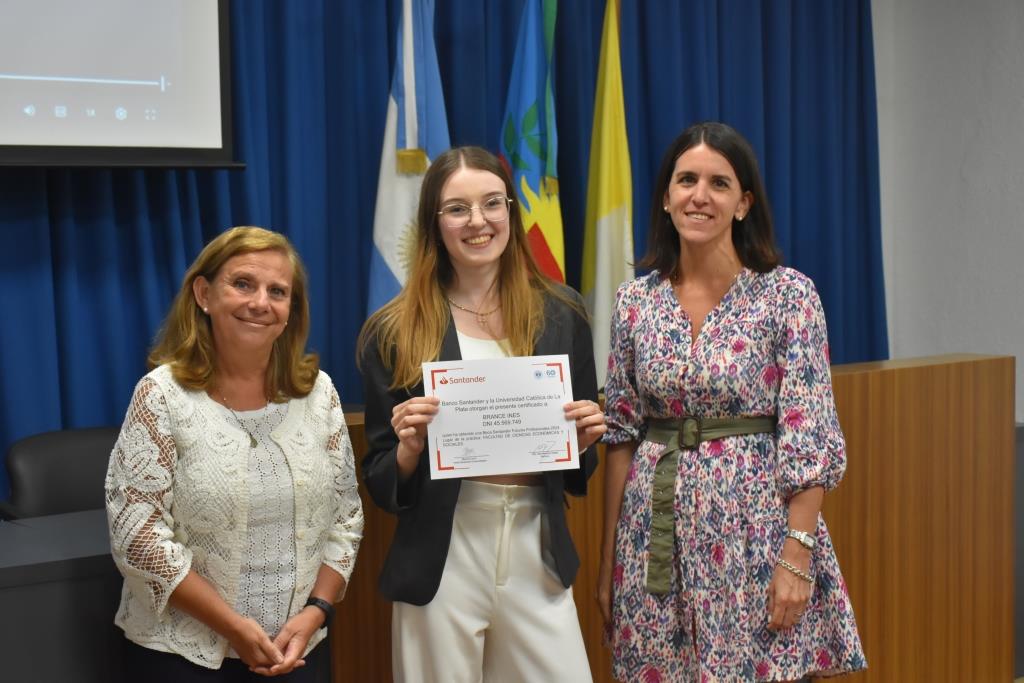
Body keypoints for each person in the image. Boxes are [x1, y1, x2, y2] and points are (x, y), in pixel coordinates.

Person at [597, 122, 866, 681]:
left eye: (719, 183)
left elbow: (808, 434)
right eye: (686, 179)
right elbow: (620, 435)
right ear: (667, 197)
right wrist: (610, 565)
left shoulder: (788, 295)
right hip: (653, 546)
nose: (700, 195)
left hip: (755, 538)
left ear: (743, 203)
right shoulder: (633, 303)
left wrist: (797, 556)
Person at [358, 146, 606, 682]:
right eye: (457, 208)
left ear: (511, 212)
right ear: (434, 223)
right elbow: (380, 480)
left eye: (492, 203)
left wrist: (584, 442)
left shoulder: (561, 314)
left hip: (535, 545)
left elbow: (578, 468)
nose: (478, 221)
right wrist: (406, 452)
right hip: (442, 549)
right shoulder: (394, 330)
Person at [105, 226, 364, 681]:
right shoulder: (162, 396)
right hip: (182, 658)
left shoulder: (319, 394)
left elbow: (346, 516)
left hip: (299, 651)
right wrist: (235, 629)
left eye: (278, 291)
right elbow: (137, 537)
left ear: (290, 311)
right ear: (203, 294)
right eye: (243, 283)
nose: (260, 302)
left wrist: (318, 611)